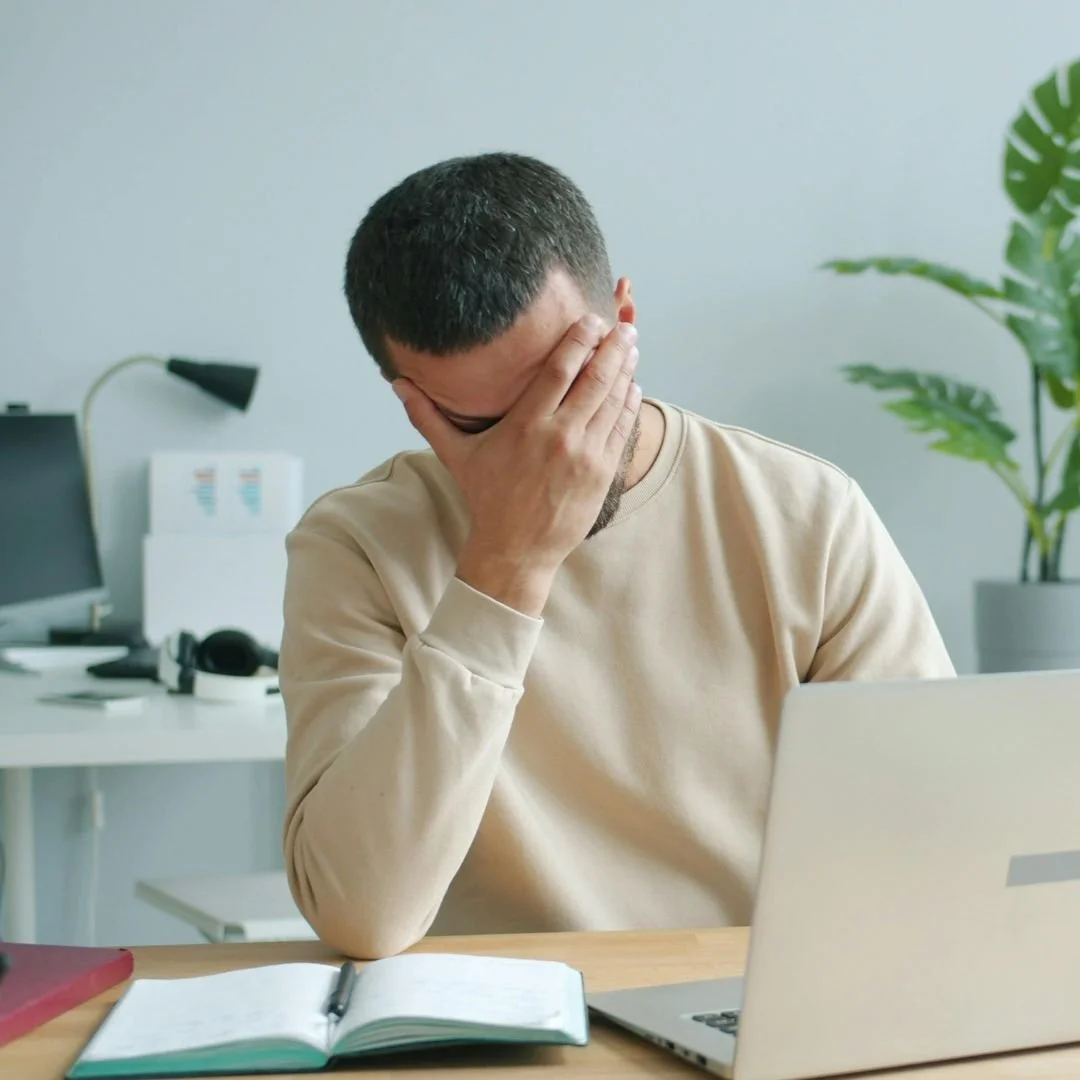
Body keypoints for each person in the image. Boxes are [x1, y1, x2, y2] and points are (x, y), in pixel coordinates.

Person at [280, 153, 954, 959]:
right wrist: (506, 564)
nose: (548, 449)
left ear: (623, 322)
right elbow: (363, 915)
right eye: (483, 427)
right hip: (501, 1014)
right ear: (411, 400)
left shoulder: (807, 514)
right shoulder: (356, 547)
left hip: (745, 997)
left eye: (568, 389)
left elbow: (934, 845)